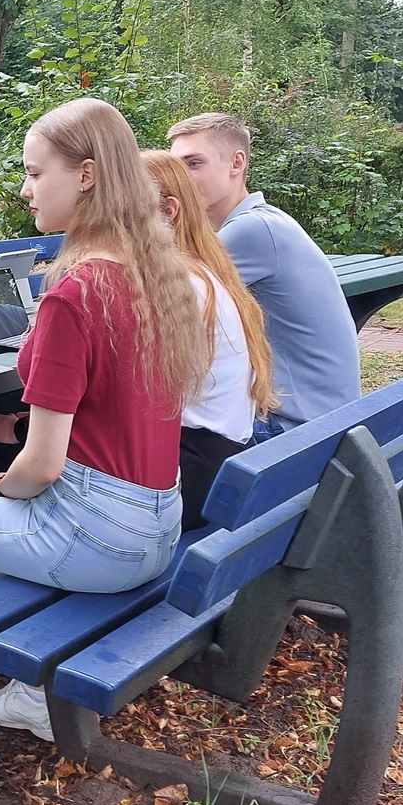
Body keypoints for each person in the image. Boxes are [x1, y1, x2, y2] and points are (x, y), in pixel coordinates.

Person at [0, 99, 211, 755]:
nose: (25, 190)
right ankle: (29, 686)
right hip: (157, 529)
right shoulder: (156, 275)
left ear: (84, 175)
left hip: (96, 539)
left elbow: (43, 466)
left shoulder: (75, 291)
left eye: (33, 173)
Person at [166, 113, 359, 429]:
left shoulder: (252, 230)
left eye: (194, 164)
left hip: (294, 429)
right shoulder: (264, 222)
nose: (181, 179)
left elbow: (158, 301)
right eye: (176, 167)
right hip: (325, 421)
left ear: (236, 163)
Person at [142, 151, 275, 529]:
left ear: (168, 212)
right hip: (219, 467)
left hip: (188, 481)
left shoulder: (175, 287)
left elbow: (130, 403)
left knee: (7, 448)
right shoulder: (206, 274)